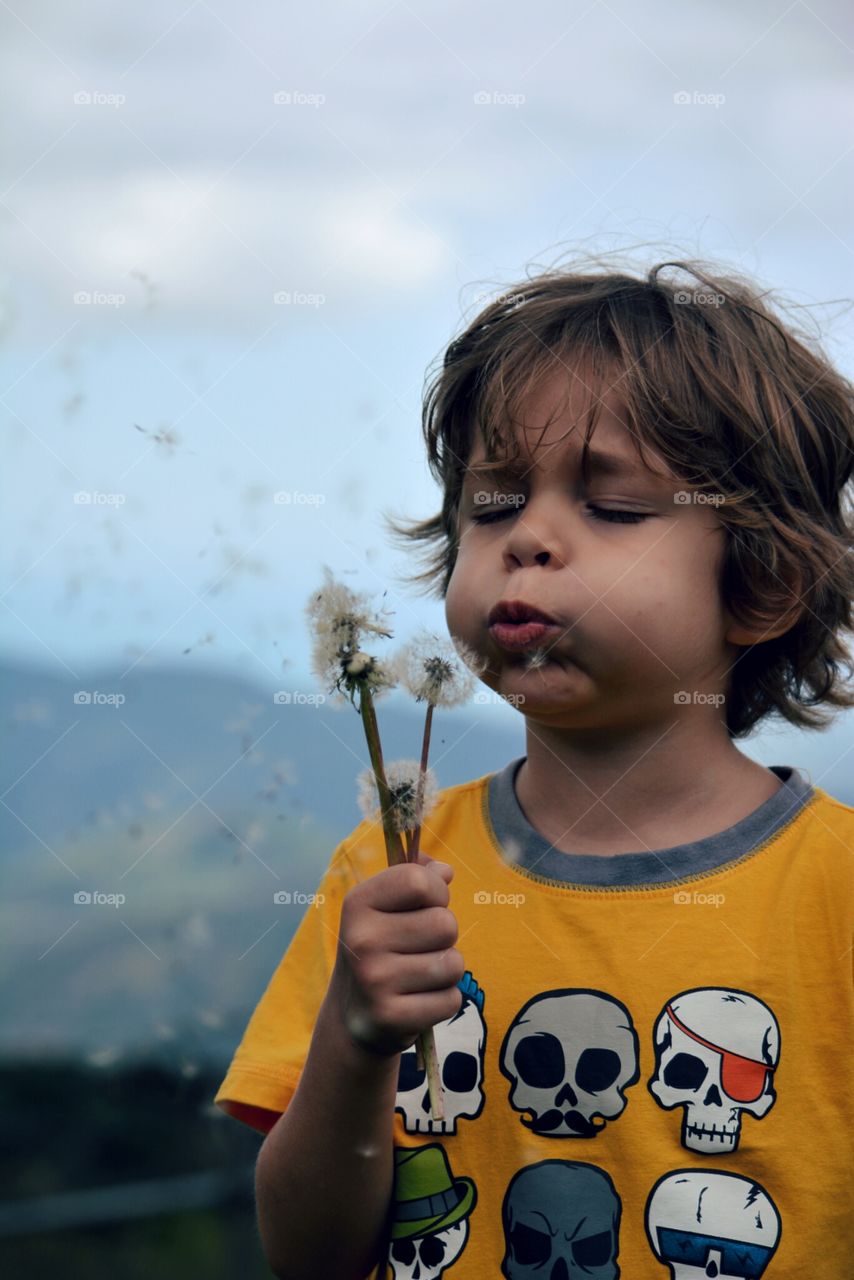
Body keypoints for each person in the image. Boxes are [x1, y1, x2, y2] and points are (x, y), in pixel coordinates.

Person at [214, 259, 854, 1279]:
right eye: (492, 501)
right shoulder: (392, 870)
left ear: (762, 582)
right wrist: (353, 1033)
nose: (528, 538)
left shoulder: (835, 891)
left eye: (612, 508)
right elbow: (308, 1254)